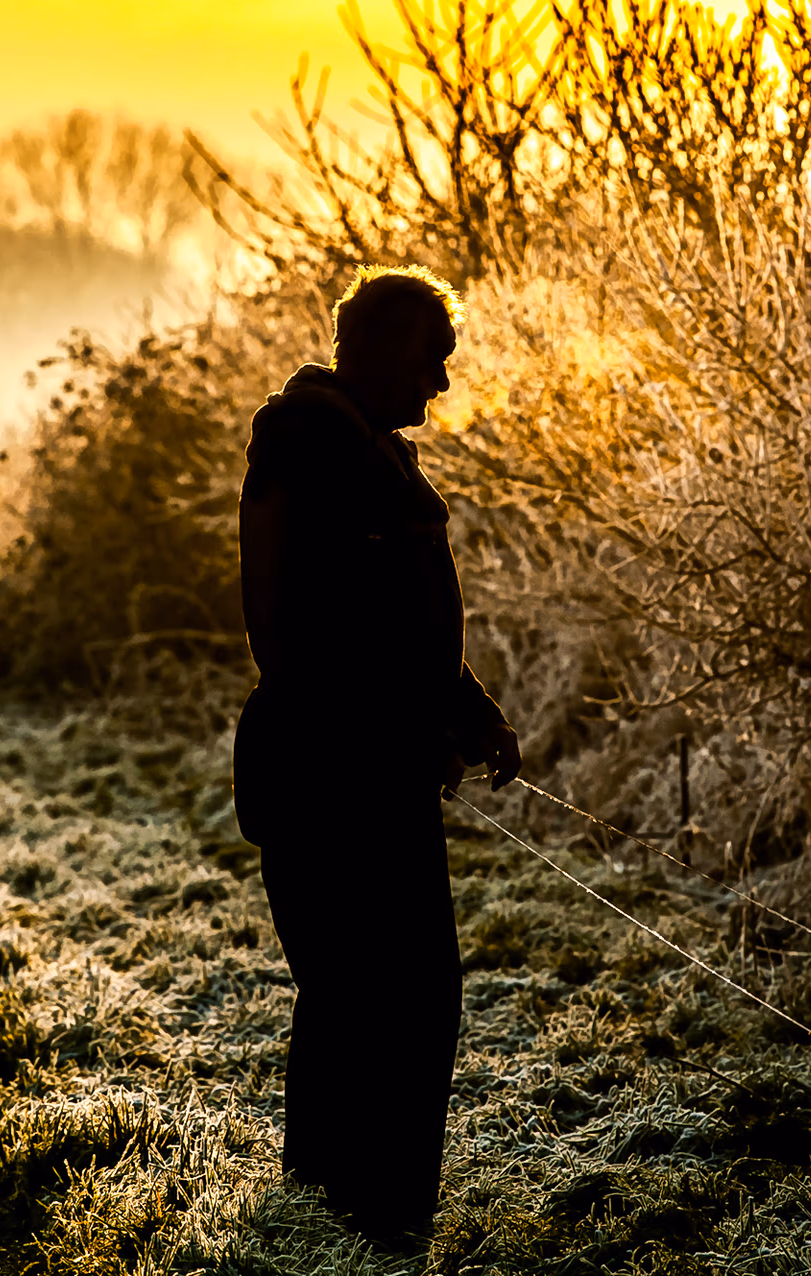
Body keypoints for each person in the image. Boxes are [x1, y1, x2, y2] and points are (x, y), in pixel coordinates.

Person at [231, 264, 520, 1249]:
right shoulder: (316, 441)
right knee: (374, 999)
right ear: (384, 350)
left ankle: (358, 1219)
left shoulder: (352, 444)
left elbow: (398, 619)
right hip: (335, 779)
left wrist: (466, 710)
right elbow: (323, 627)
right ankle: (358, 1220)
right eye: (433, 362)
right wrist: (417, 724)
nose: (440, 385)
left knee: (385, 998)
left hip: (363, 773)